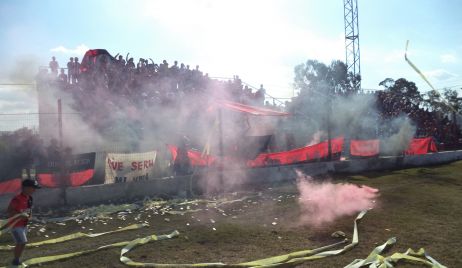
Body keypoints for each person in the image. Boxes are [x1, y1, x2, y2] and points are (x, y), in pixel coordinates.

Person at [6, 179, 41, 266]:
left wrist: (29, 216)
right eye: (33, 188)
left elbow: (29, 209)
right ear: (26, 188)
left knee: (22, 243)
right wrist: (20, 215)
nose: (35, 190)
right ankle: (16, 260)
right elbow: (9, 210)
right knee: (22, 242)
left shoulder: (30, 198)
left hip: (24, 225)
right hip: (16, 225)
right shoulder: (17, 199)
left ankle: (17, 259)